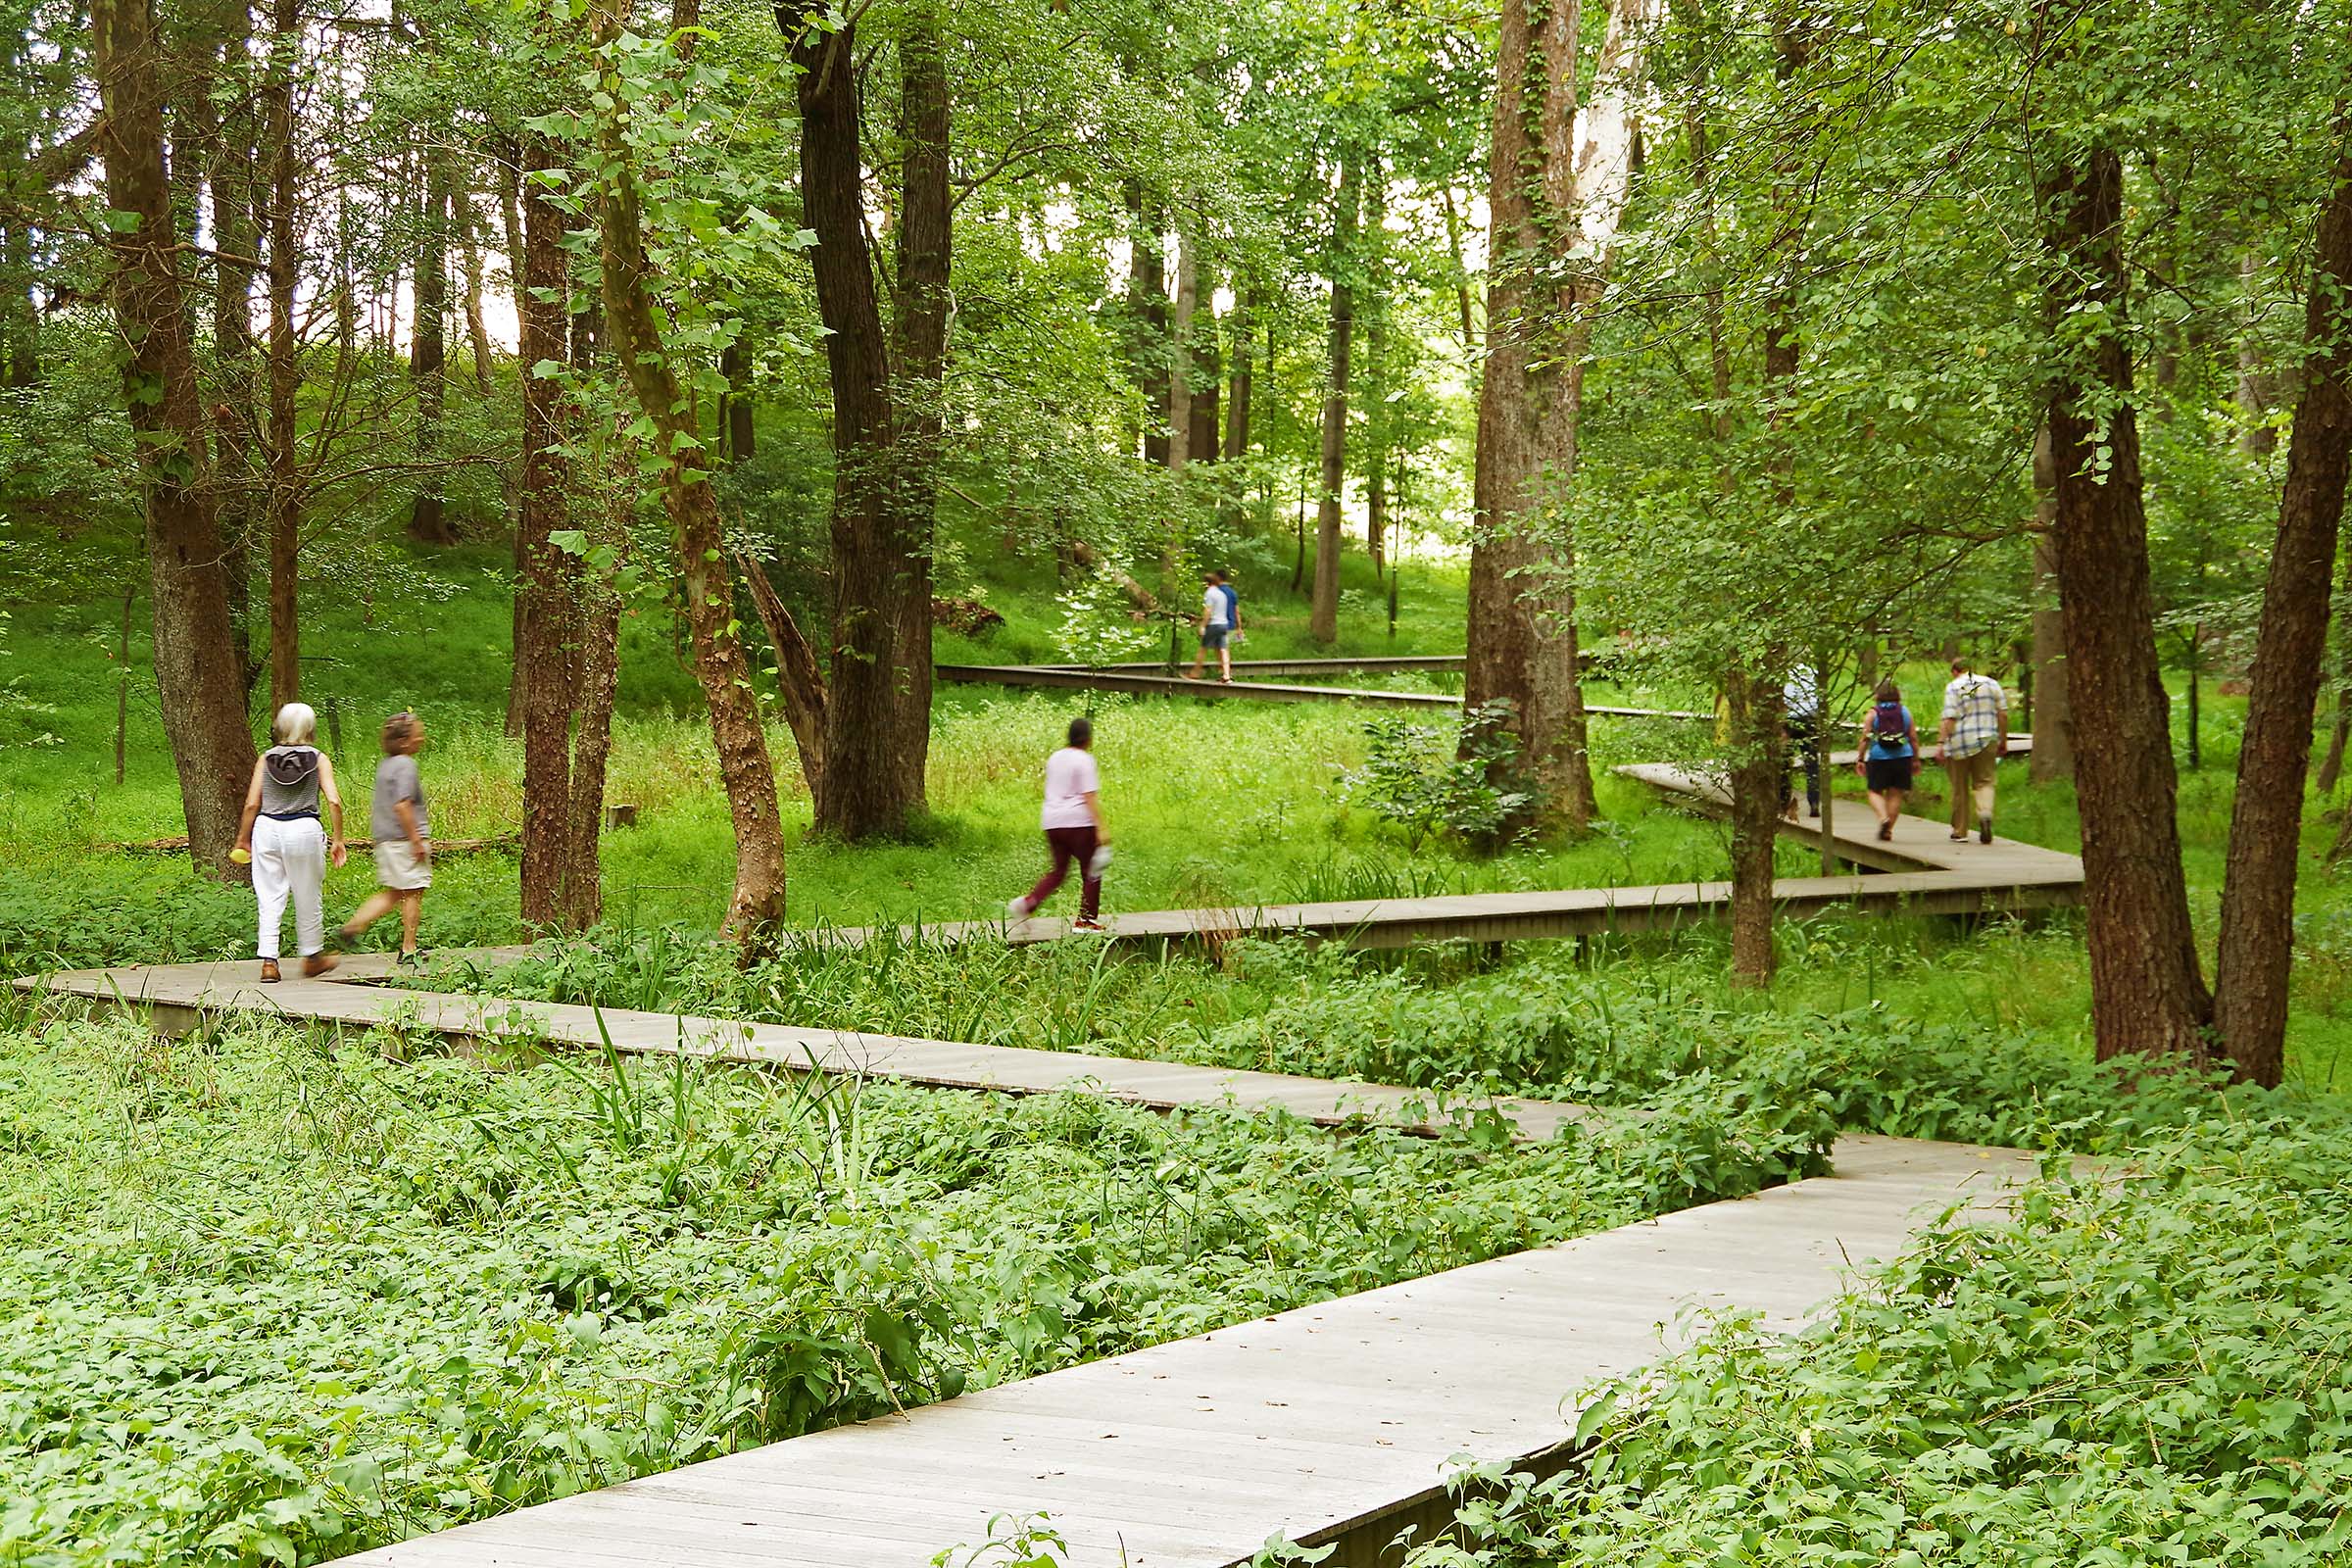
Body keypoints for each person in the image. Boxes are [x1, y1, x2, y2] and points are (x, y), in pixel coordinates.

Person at [233, 702, 348, 982]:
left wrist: (243, 839)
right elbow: (333, 800)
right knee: (308, 893)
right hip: (304, 828)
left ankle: (269, 963)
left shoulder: (266, 758)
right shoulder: (318, 758)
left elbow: (251, 803)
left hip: (267, 828)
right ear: (311, 728)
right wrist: (339, 840)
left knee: (269, 895)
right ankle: (311, 958)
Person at [335, 712, 431, 965]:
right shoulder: (406, 765)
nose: (421, 738)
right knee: (413, 891)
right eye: (417, 734)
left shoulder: (386, 765)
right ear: (403, 741)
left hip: (386, 839)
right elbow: (402, 805)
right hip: (404, 839)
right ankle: (409, 948)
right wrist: (416, 840)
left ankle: (354, 926)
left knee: (394, 892)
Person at [1008, 715, 1107, 933]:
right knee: (1092, 869)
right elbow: (1089, 795)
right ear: (1088, 739)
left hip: (1052, 821)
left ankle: (1027, 904)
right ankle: (1086, 921)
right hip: (1078, 821)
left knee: (1059, 871)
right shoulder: (1085, 760)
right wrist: (1101, 827)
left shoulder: (1055, 758)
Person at [1938, 658, 2009, 844]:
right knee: (1985, 782)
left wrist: (1941, 743)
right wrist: (2003, 739)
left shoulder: (1953, 687)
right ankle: (1985, 814)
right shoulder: (1991, 683)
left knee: (1959, 787)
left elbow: (1949, 719)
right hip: (1987, 739)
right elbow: (2003, 713)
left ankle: (1960, 831)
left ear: (1955, 671)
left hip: (1959, 742)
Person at [1855, 679, 1918, 842]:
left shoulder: (1873, 713)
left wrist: (1860, 758)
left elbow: (1865, 738)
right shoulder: (1905, 712)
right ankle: (1888, 831)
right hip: (1902, 756)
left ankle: (1883, 819)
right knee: (1896, 793)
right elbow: (1913, 737)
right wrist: (1916, 759)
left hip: (1879, 757)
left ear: (1878, 695)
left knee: (1874, 791)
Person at [1782, 665, 1821, 819]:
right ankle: (1814, 802)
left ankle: (1783, 801)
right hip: (1809, 719)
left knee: (1785, 762)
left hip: (1791, 720)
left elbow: (1784, 700)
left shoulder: (1786, 673)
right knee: (1811, 763)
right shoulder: (1815, 672)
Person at [1188, 569, 1234, 683]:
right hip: (1224, 624)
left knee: (1203, 649)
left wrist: (1203, 625)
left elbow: (1208, 610)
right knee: (1222, 650)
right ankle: (1226, 675)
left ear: (1207, 583)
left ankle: (1195, 673)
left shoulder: (1209, 593)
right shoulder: (1221, 594)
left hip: (1214, 624)